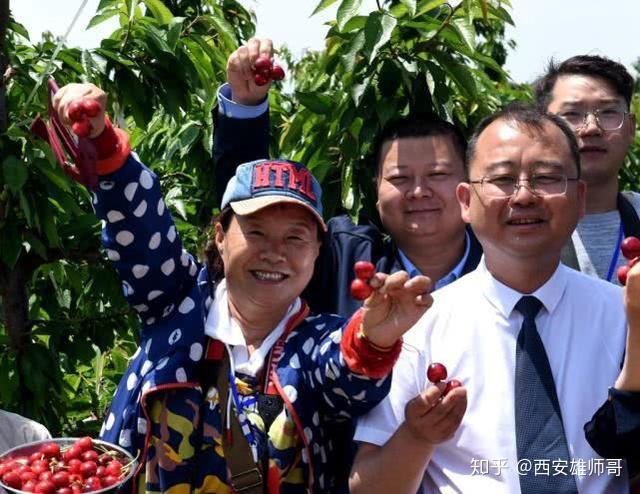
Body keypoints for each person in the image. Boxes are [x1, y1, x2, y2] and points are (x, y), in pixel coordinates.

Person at [51, 82, 432, 493]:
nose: (274, 253)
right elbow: (142, 229)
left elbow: (343, 373)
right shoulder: (176, 304)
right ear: (220, 235)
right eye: (256, 232)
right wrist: (102, 141)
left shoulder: (313, 343)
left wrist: (373, 338)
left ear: (318, 250)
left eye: (295, 238)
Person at [350, 104, 640, 494]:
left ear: (580, 198)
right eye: (502, 178)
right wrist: (418, 436)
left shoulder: (625, 316)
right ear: (466, 201)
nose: (523, 196)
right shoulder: (420, 325)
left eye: (547, 177)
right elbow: (368, 486)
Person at [213, 38, 483, 319]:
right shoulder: (342, 258)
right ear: (376, 192)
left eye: (437, 174)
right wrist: (246, 107)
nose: (418, 190)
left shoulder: (505, 258)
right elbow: (250, 205)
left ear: (469, 187)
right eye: (399, 178)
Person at [534, 55, 638, 284]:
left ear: (631, 128)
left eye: (608, 112)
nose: (591, 128)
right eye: (572, 114)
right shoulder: (514, 221)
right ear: (542, 129)